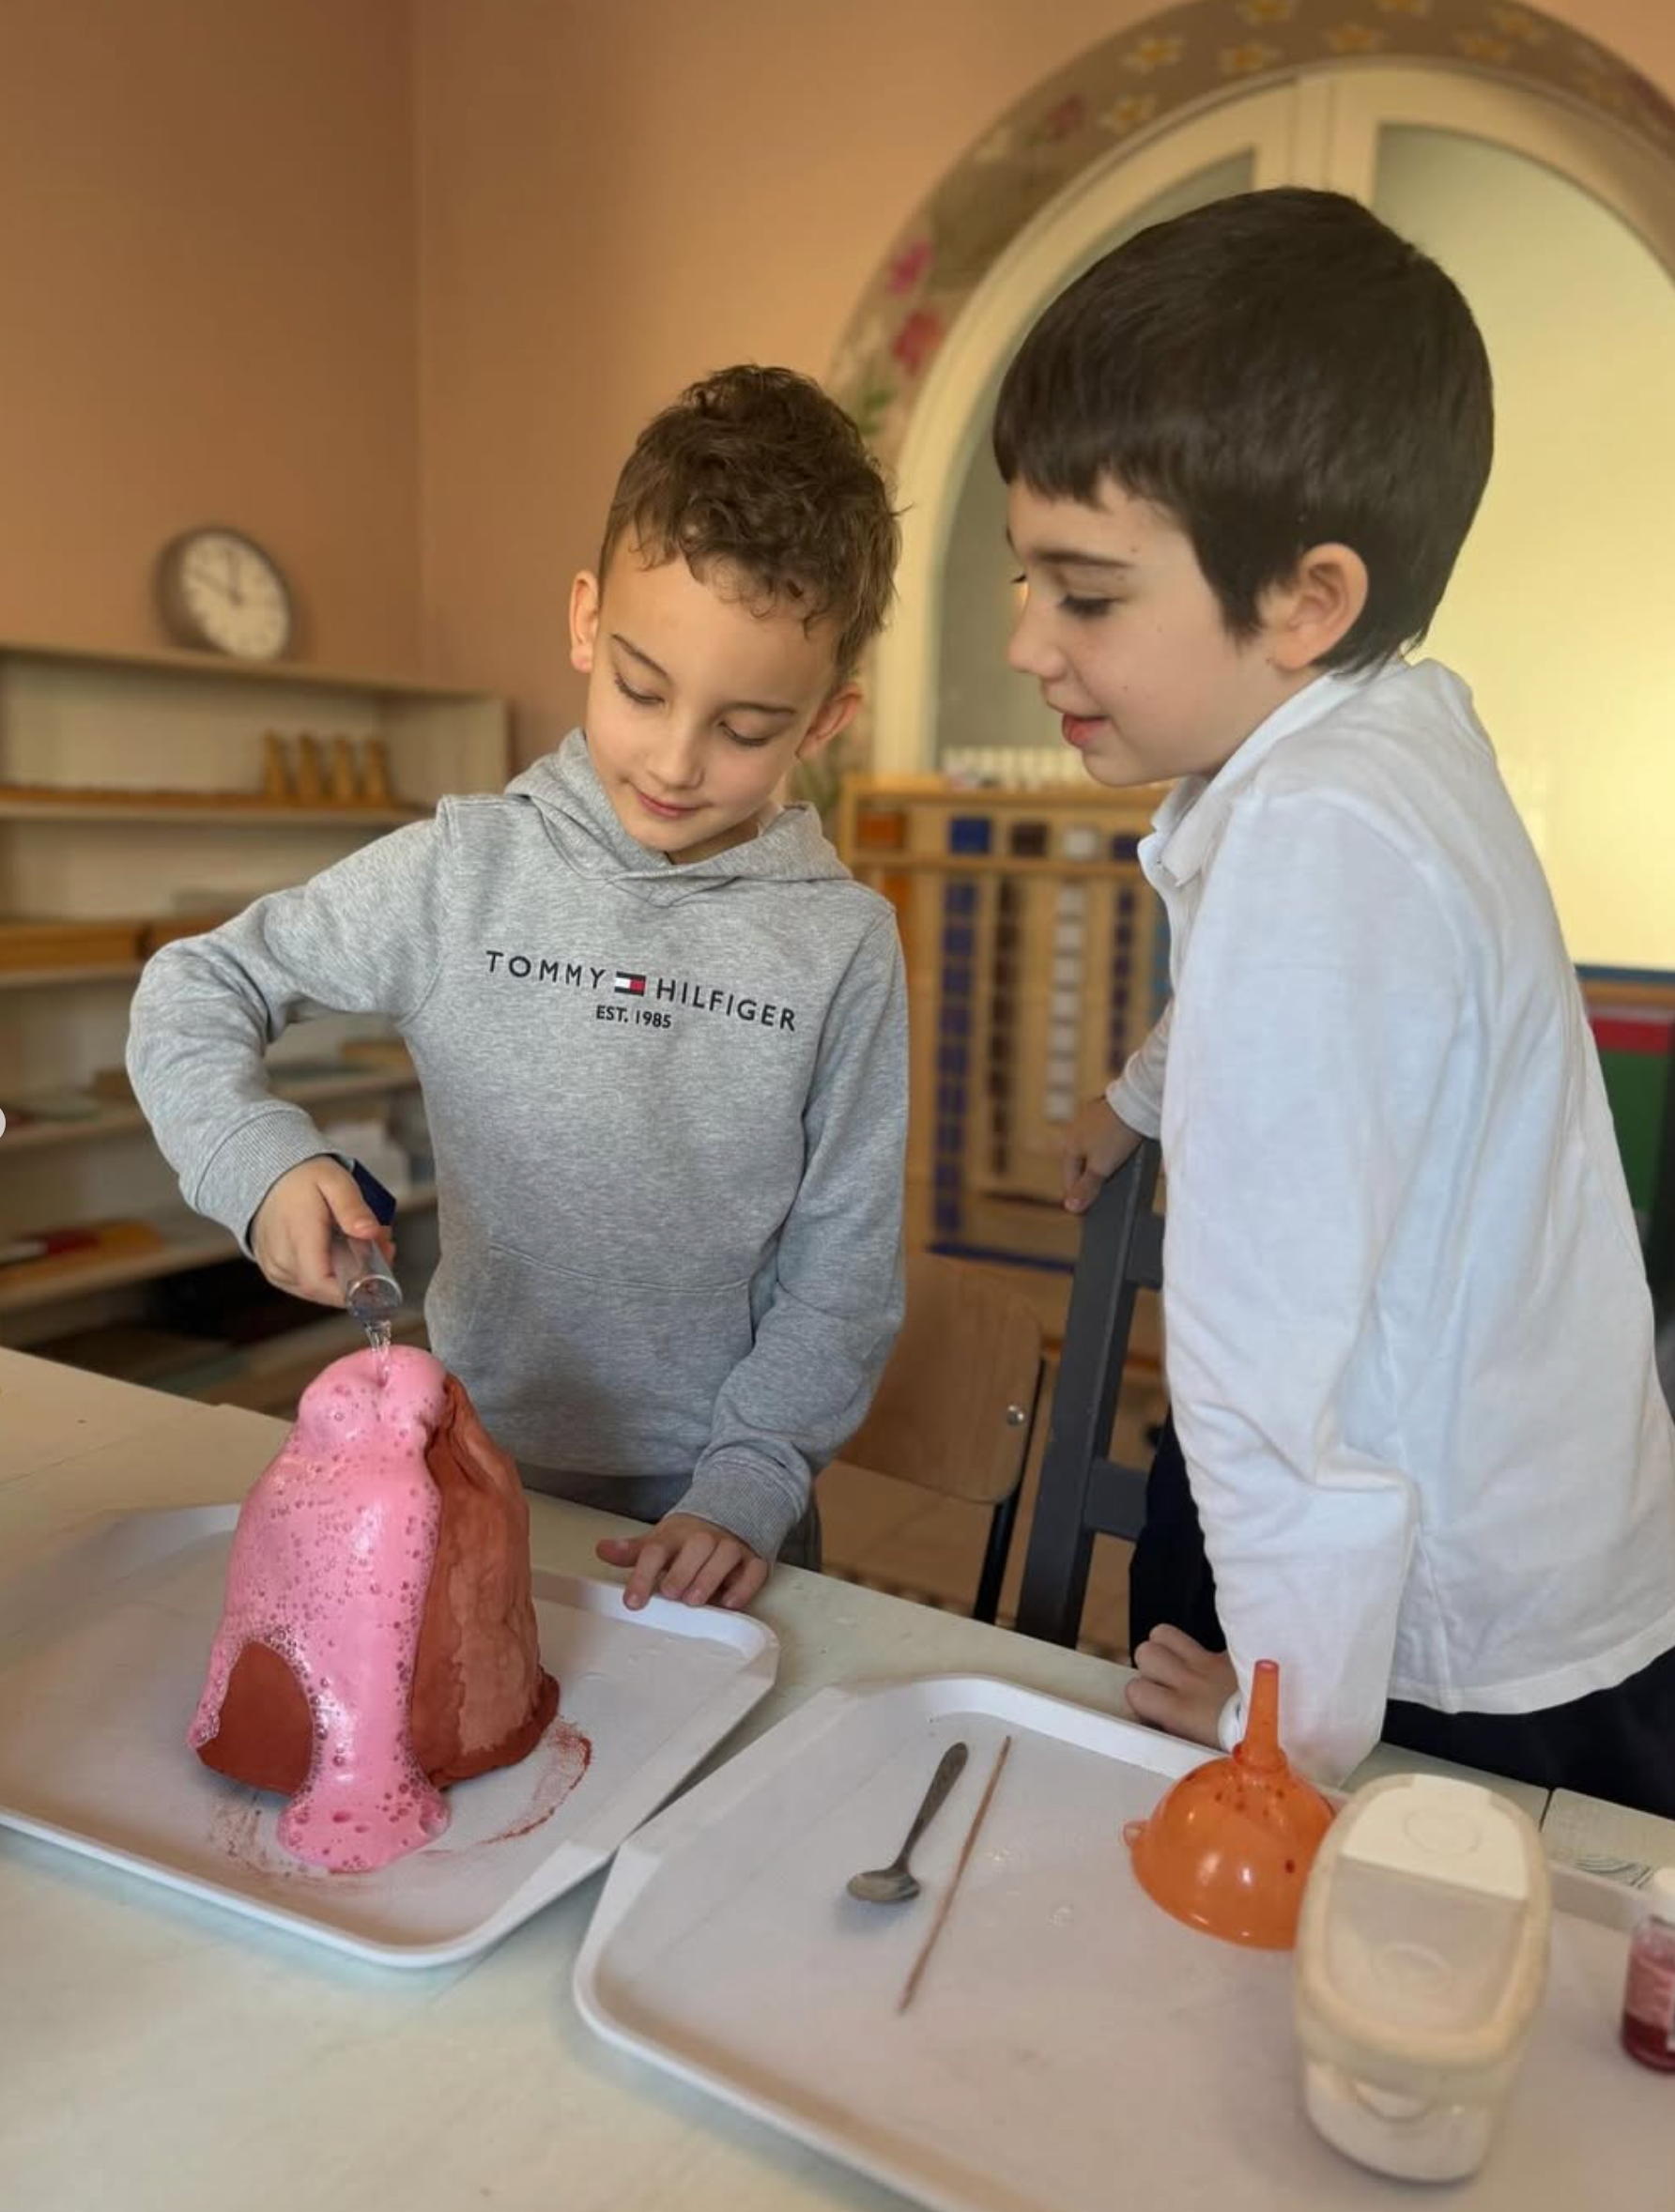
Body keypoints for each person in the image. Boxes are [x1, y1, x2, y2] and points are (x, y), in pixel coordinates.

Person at [995, 188, 1675, 1813]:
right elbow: (1271, 1000)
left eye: (1084, 593)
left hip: (1428, 1644)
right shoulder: (1385, 740)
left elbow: (1258, 1342)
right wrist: (1139, 1102)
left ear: (1307, 599)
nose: (1028, 639)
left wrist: (1281, 1727)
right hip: (1532, 1551)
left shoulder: (1317, 842)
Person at [129, 364, 908, 1617]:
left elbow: (844, 1266)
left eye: (747, 727)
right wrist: (260, 1163)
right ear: (588, 621)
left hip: (715, 1509)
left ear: (826, 721)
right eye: (643, 691)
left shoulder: (843, 945)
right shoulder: (464, 870)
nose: (674, 758)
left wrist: (752, 1479)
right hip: (471, 1461)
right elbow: (194, 986)